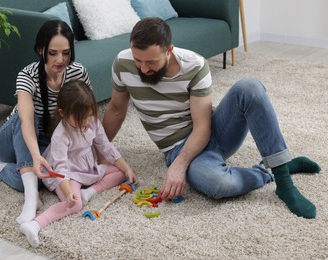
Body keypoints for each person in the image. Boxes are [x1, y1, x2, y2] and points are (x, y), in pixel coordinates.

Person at [102, 17, 321, 219]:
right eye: (138, 60)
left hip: (211, 130)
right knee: (218, 184)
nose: (142, 68)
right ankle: (269, 169)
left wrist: (179, 167)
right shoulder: (123, 64)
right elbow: (116, 110)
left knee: (250, 88)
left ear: (169, 50)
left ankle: (283, 180)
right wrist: (96, 152)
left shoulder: (194, 66)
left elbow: (202, 128)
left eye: (151, 62)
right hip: (176, 146)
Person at [0, 20, 92, 224]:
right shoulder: (28, 75)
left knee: (41, 178)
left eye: (66, 53)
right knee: (29, 117)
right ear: (40, 50)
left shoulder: (78, 73)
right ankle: (31, 199)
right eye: (53, 53)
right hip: (9, 138)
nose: (60, 59)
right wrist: (35, 156)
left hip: (45, 140)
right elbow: (24, 118)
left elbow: (86, 112)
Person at [19, 80, 137, 247]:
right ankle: (34, 224)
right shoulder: (61, 134)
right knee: (75, 205)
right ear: (63, 113)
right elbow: (61, 168)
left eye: (89, 116)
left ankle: (88, 192)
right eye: (81, 118)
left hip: (86, 168)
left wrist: (127, 168)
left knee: (119, 172)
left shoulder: (93, 122)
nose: (86, 122)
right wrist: (68, 193)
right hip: (65, 174)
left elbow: (105, 146)